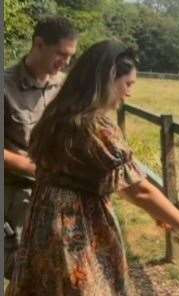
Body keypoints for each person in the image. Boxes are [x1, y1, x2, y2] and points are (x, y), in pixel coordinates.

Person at [6, 40, 179, 296]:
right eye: (127, 84)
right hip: (76, 228)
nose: (129, 93)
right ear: (107, 79)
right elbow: (140, 190)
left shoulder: (57, 114)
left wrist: (158, 213)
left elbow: (116, 182)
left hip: (43, 220)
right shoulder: (96, 125)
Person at [4, 16, 78, 279]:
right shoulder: (5, 87)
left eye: (71, 55)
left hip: (60, 197)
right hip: (17, 200)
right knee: (21, 273)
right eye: (61, 53)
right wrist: (38, 169)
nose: (66, 61)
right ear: (38, 44)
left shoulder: (65, 86)